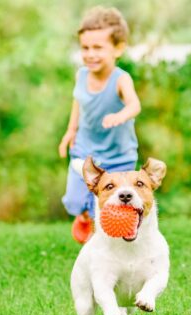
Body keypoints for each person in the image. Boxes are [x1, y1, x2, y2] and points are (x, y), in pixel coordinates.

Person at [58, 6, 141, 244]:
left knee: (109, 209)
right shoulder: (81, 75)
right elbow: (78, 102)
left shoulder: (121, 79)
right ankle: (83, 216)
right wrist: (70, 131)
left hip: (118, 157)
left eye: (98, 47)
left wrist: (122, 115)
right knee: (74, 202)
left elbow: (135, 105)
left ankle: (105, 246)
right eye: (85, 48)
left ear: (118, 48)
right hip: (85, 152)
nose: (90, 54)